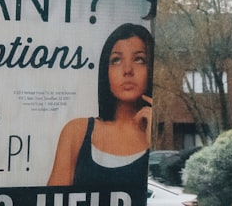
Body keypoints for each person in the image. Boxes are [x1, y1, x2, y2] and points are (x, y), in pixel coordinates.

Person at [48, 23, 153, 186]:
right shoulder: (77, 132)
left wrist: (152, 141)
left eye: (139, 59)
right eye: (116, 60)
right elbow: (51, 205)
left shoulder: (152, 135)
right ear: (106, 70)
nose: (127, 70)